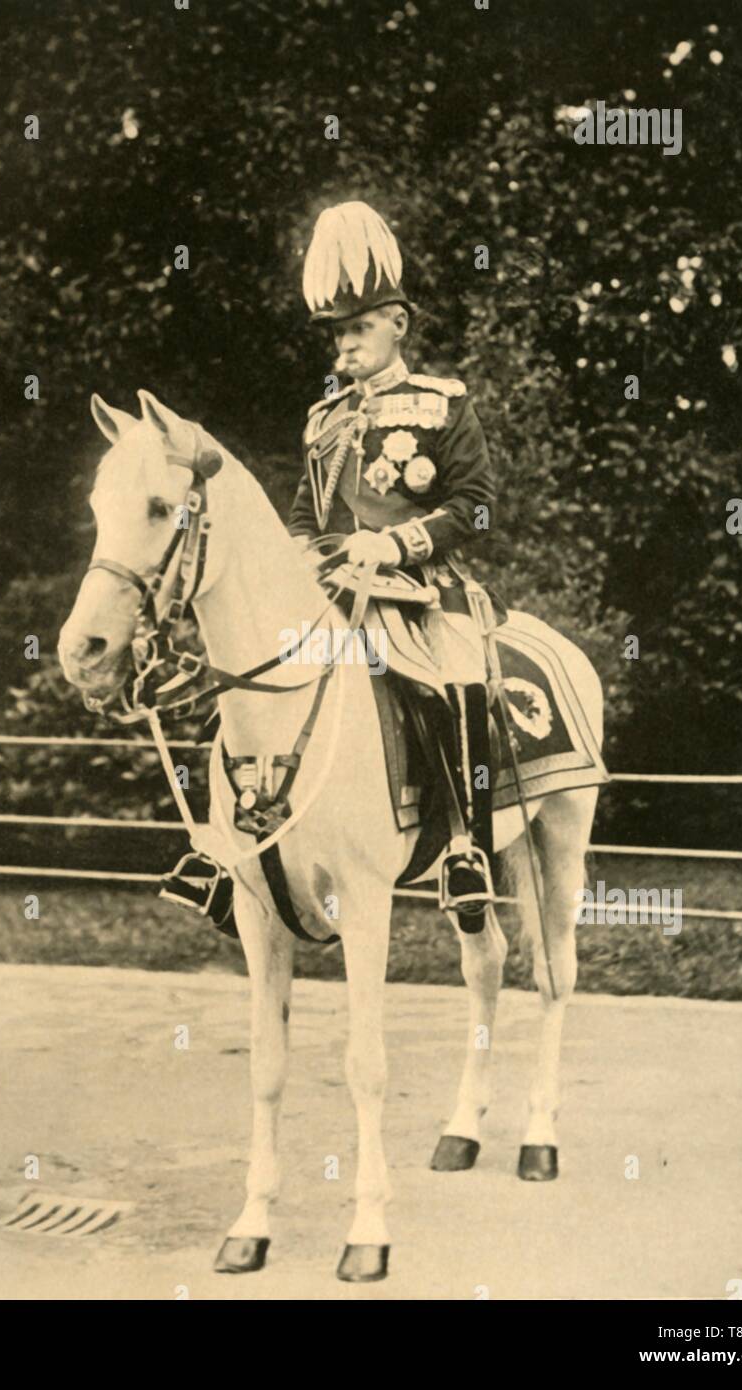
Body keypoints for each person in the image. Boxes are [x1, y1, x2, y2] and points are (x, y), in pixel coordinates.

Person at [288, 201, 498, 911]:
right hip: (336, 590)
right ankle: (230, 850)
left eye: (358, 329)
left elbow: (476, 505)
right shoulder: (323, 420)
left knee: (459, 679)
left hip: (424, 589)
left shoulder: (442, 404)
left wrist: (394, 542)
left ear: (398, 324)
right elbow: (303, 514)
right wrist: (296, 561)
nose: (344, 347)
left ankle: (466, 848)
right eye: (337, 335)